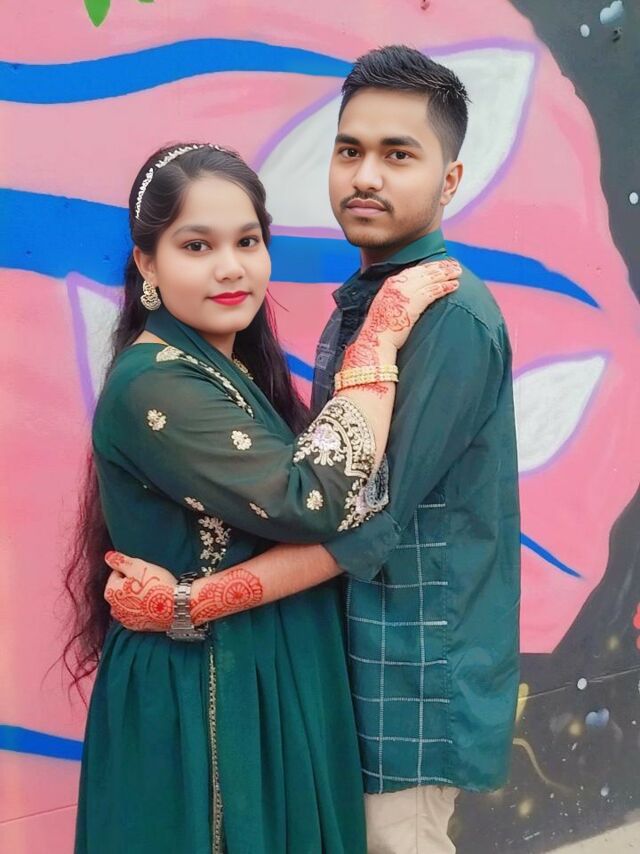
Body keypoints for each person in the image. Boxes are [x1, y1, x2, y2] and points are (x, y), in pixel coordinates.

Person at [113, 46, 521, 852]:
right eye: (350, 150)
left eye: (398, 155)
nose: (366, 176)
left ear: (448, 181)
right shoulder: (368, 303)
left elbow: (360, 521)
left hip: (411, 678)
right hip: (350, 665)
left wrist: (191, 602)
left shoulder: (445, 317)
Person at [63, 141, 459, 854]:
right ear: (147, 264)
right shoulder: (155, 385)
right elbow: (318, 500)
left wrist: (195, 599)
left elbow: (349, 511)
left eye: (248, 241)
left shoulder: (228, 370)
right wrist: (378, 340)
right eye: (197, 245)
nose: (231, 267)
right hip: (206, 694)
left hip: (267, 667)